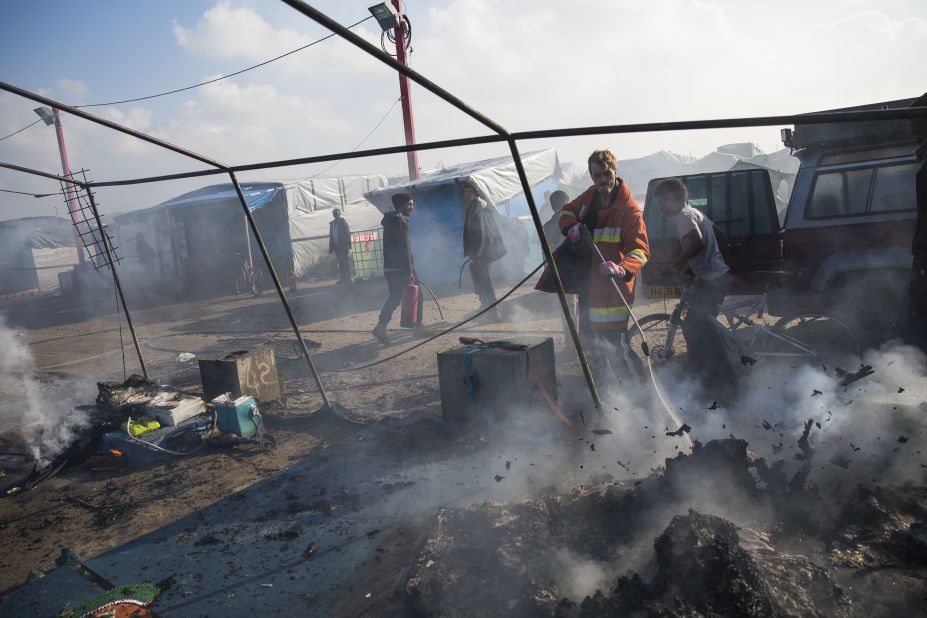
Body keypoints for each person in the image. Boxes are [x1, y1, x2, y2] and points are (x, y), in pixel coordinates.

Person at [552, 149, 650, 394]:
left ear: (615, 172)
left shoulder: (629, 210)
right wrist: (570, 228)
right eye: (597, 176)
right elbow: (565, 210)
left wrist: (622, 268)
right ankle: (602, 398)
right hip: (589, 289)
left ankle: (642, 399)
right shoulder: (590, 196)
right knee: (591, 348)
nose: (602, 180)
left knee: (618, 350)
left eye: (607, 174)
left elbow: (640, 250)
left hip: (612, 293)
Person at [655, 177, 735, 387]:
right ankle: (717, 375)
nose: (661, 207)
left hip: (713, 280)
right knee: (703, 326)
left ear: (671, 198)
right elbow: (719, 235)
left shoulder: (683, 217)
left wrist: (674, 265)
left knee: (693, 327)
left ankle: (720, 378)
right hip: (714, 277)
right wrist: (695, 267)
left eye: (661, 202)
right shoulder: (695, 212)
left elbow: (697, 244)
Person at [372, 193, 422, 344]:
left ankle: (381, 327)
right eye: (409, 205)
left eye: (412, 204)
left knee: (394, 297)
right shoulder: (400, 221)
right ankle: (417, 327)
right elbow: (405, 248)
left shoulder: (389, 220)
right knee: (418, 294)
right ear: (401, 205)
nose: (412, 208)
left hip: (390, 268)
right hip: (402, 268)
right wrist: (410, 271)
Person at [461, 179, 507, 321]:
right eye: (465, 192)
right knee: (480, 280)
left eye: (470, 191)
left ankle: (494, 312)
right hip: (478, 253)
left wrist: (479, 254)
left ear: (476, 193)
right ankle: (485, 307)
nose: (467, 194)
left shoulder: (479, 207)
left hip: (483, 253)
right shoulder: (471, 207)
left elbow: (484, 233)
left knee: (486, 281)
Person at [328, 208, 353, 284]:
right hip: (337, 247)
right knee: (340, 263)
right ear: (333, 215)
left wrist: (348, 246)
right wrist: (330, 247)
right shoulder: (332, 224)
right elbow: (331, 236)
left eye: (337, 212)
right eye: (334, 213)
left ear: (339, 214)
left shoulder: (343, 222)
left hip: (343, 246)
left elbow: (348, 234)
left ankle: (348, 279)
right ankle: (343, 279)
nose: (335, 214)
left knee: (345, 263)